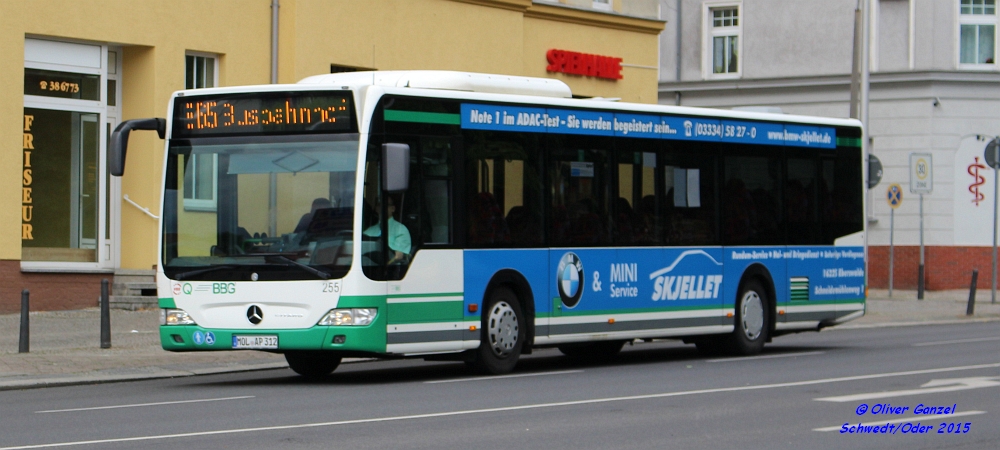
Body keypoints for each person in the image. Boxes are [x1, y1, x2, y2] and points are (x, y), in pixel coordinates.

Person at [364, 195, 411, 265]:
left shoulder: (401, 230)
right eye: (379, 205)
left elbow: (397, 256)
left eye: (386, 205)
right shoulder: (368, 231)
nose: (382, 207)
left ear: (393, 208)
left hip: (392, 271)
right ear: (376, 208)